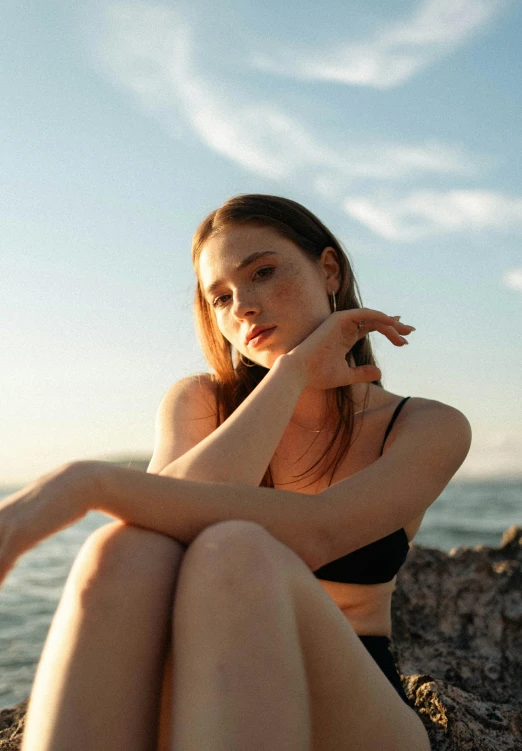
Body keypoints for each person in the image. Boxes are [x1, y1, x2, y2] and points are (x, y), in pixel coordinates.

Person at [0, 194, 471, 751]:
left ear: (329, 270)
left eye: (263, 273)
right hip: (202, 687)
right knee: (127, 550)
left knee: (236, 549)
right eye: (219, 298)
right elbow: (162, 524)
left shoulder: (425, 425)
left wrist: (86, 483)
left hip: (350, 700)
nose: (243, 306)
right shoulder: (199, 401)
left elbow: (317, 532)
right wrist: (291, 377)